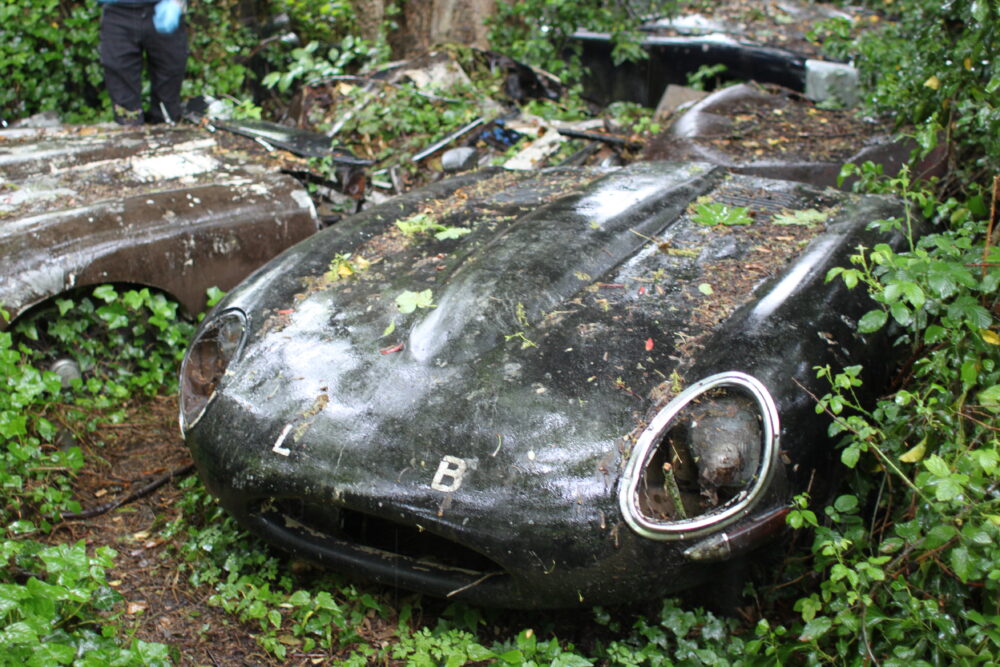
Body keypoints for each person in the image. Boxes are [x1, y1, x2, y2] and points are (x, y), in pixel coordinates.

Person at [98, 0, 188, 125]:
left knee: (168, 96)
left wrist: (176, 2)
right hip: (117, 12)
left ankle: (167, 124)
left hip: (162, 7)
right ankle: (129, 133)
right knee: (126, 114)